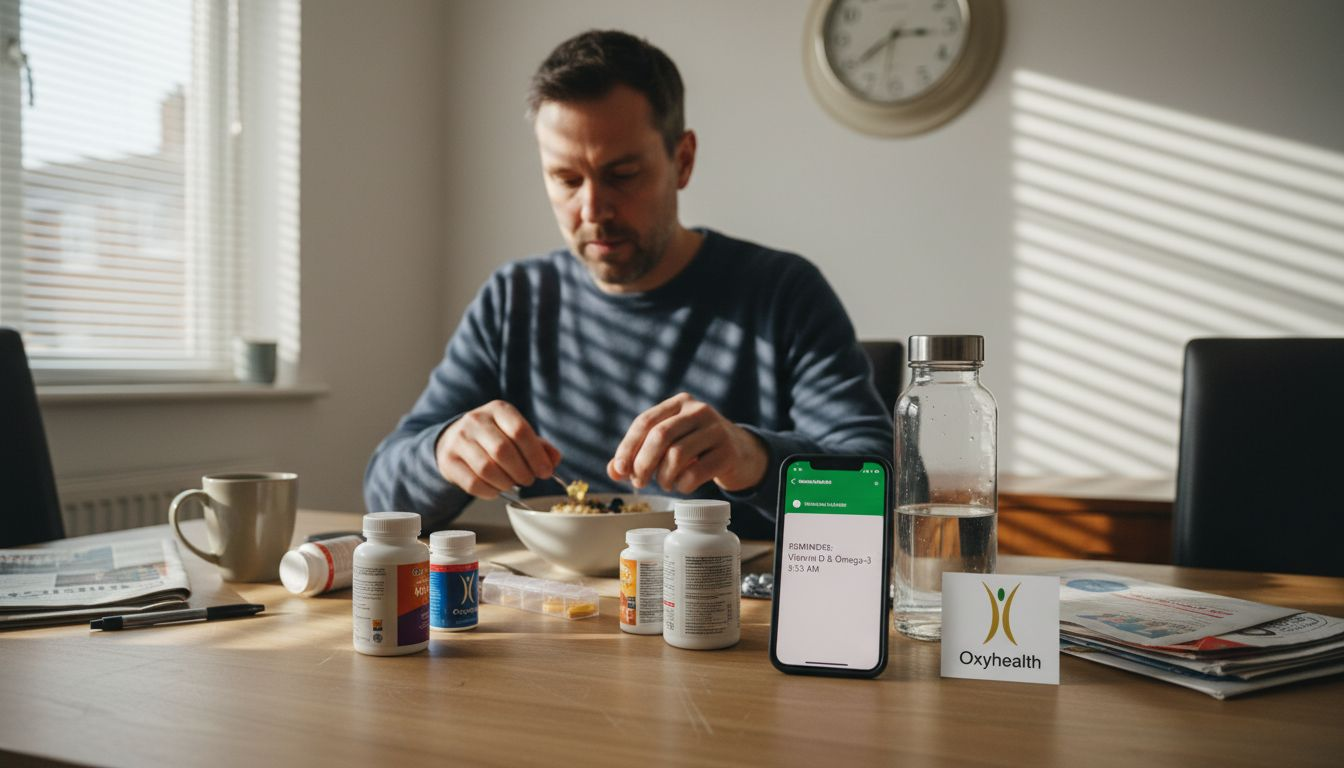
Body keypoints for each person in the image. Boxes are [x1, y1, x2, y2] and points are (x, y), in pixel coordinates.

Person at [364, 29, 891, 538]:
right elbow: (383, 497)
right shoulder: (514, 300)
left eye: (622, 175)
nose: (593, 209)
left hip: (723, 592)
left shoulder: (782, 293)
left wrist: (752, 458)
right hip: (556, 596)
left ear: (682, 161)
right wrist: (442, 452)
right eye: (567, 179)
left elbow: (878, 490)